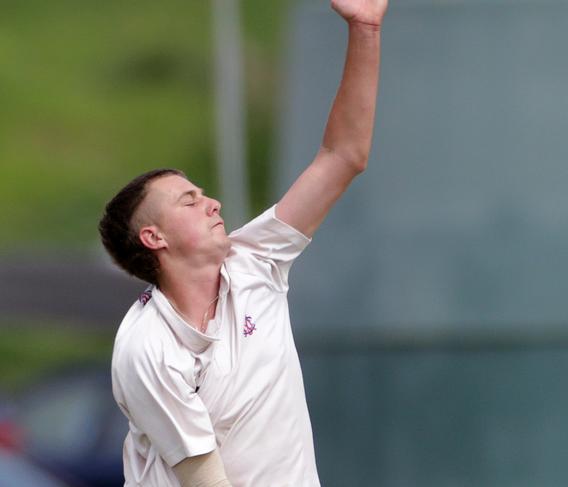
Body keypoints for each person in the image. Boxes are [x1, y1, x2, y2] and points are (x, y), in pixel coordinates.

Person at [98, 1, 388, 485]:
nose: (211, 203)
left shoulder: (255, 262)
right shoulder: (146, 347)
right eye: (188, 201)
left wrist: (365, 29)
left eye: (203, 193)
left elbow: (343, 156)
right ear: (154, 237)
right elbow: (204, 478)